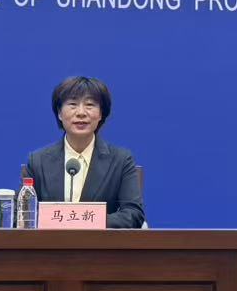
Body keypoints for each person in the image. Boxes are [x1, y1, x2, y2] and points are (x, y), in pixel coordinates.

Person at [22, 75, 145, 228]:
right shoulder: (38, 161)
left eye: (89, 105)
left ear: (101, 114)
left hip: (99, 243)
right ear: (59, 113)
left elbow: (133, 214)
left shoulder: (120, 160)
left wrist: (85, 221)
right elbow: (22, 213)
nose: (81, 112)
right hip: (50, 243)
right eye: (72, 104)